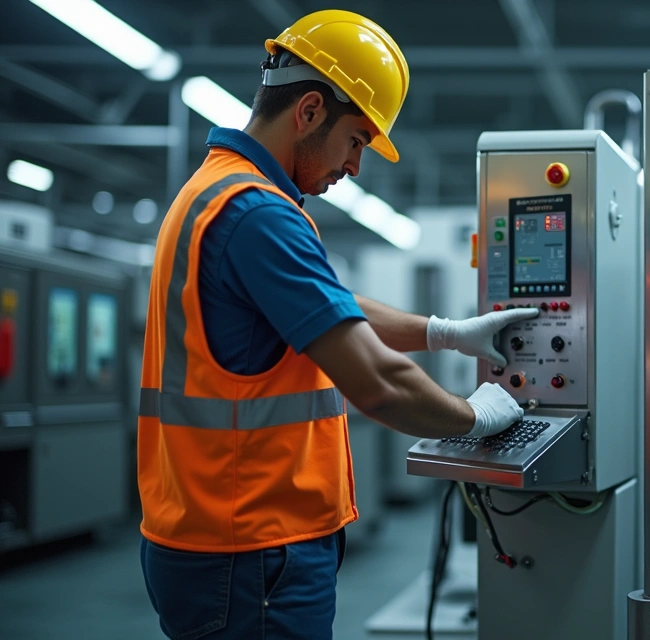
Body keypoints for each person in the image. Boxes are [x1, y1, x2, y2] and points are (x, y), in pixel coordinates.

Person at [136, 10, 535, 639]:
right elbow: (377, 383)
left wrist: (444, 331)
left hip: (223, 536)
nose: (355, 166)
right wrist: (476, 417)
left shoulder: (215, 193)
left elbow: (333, 307)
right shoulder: (257, 214)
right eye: (356, 140)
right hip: (253, 549)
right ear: (311, 110)